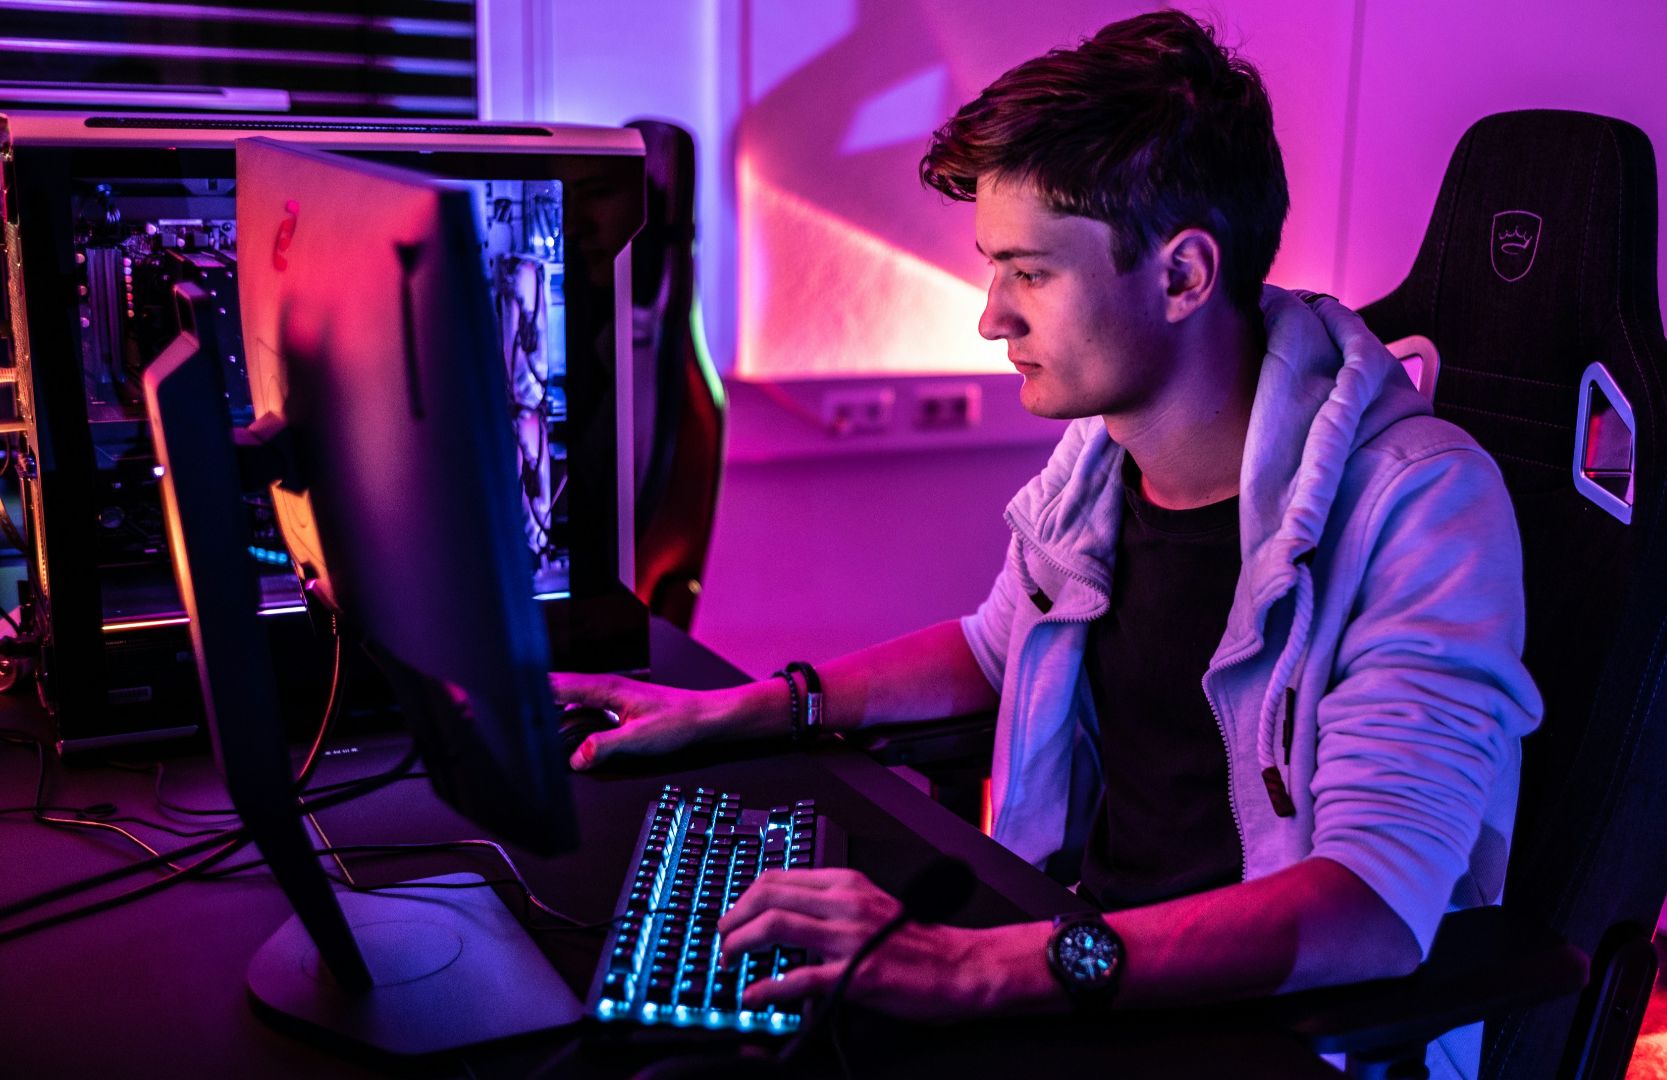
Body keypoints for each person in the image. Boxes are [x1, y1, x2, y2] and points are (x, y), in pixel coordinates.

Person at [554, 11, 1542, 1078]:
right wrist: (738, 709)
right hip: (1089, 963)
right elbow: (998, 647)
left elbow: (1370, 907)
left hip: (1262, 1030)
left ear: (1182, 276)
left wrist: (968, 967)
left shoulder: (1418, 504)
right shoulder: (1105, 453)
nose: (992, 317)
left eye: (1029, 273)